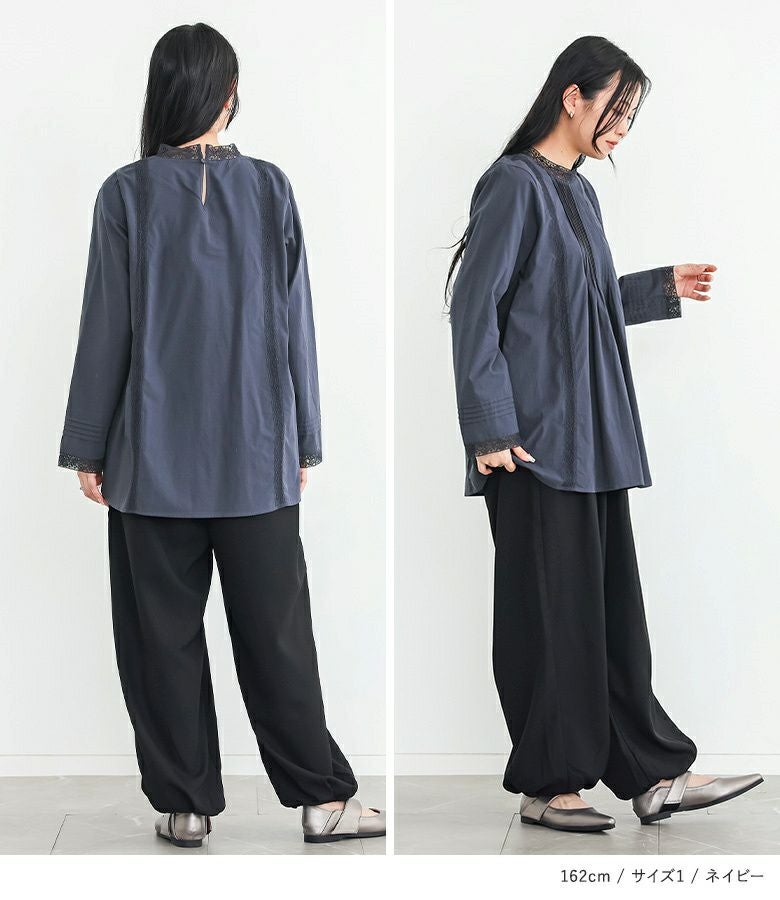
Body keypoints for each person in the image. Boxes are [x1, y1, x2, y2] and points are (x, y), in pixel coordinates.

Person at [57, 22, 384, 849]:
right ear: (229, 93)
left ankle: (186, 805)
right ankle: (323, 802)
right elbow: (296, 323)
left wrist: (88, 445)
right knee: (278, 638)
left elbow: (105, 330)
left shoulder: (125, 193)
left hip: (149, 461)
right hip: (255, 453)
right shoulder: (270, 188)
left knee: (160, 641)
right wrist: (303, 438)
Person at [446, 34, 762, 833]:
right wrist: (488, 428)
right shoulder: (512, 184)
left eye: (630, 117)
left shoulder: (580, 195)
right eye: (614, 111)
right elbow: (475, 310)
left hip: (591, 436)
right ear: (572, 97)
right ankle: (549, 785)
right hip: (531, 446)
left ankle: (652, 776)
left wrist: (656, 289)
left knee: (612, 616)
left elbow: (572, 305)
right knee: (551, 620)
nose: (621, 129)